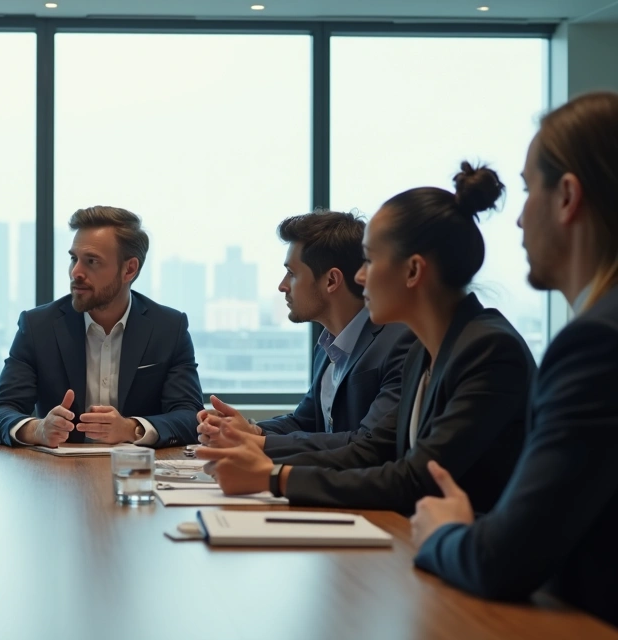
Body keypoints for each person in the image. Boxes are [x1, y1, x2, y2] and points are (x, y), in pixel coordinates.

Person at [198, 162, 534, 515]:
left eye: (370, 261)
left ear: (413, 270)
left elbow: (413, 477)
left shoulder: (488, 350)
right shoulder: (427, 350)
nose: (360, 276)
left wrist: (274, 476)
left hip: (470, 555)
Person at [410, 92, 618, 627]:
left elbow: (500, 560)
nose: (520, 221)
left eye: (528, 191)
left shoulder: (596, 345)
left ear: (568, 196)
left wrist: (446, 531)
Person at [198, 211, 416, 458]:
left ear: (331, 281)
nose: (282, 285)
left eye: (292, 273)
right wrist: (251, 430)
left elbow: (370, 444)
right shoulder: (326, 345)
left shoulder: (399, 342)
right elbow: (305, 422)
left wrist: (256, 444)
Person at [0, 206, 203, 448]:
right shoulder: (38, 326)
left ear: (129, 269)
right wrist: (38, 429)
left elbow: (189, 416)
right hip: (60, 476)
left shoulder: (168, 328)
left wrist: (131, 428)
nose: (76, 272)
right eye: (73, 259)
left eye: (92, 261)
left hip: (138, 473)